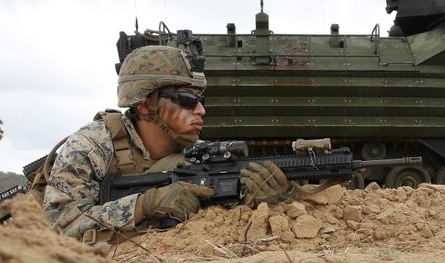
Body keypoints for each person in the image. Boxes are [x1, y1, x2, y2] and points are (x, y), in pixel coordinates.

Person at [42, 45, 293, 243]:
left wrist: (263, 198)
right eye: (187, 100)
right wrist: (144, 205)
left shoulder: (199, 155)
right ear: (144, 104)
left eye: (201, 100)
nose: (201, 110)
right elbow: (57, 228)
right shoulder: (90, 147)